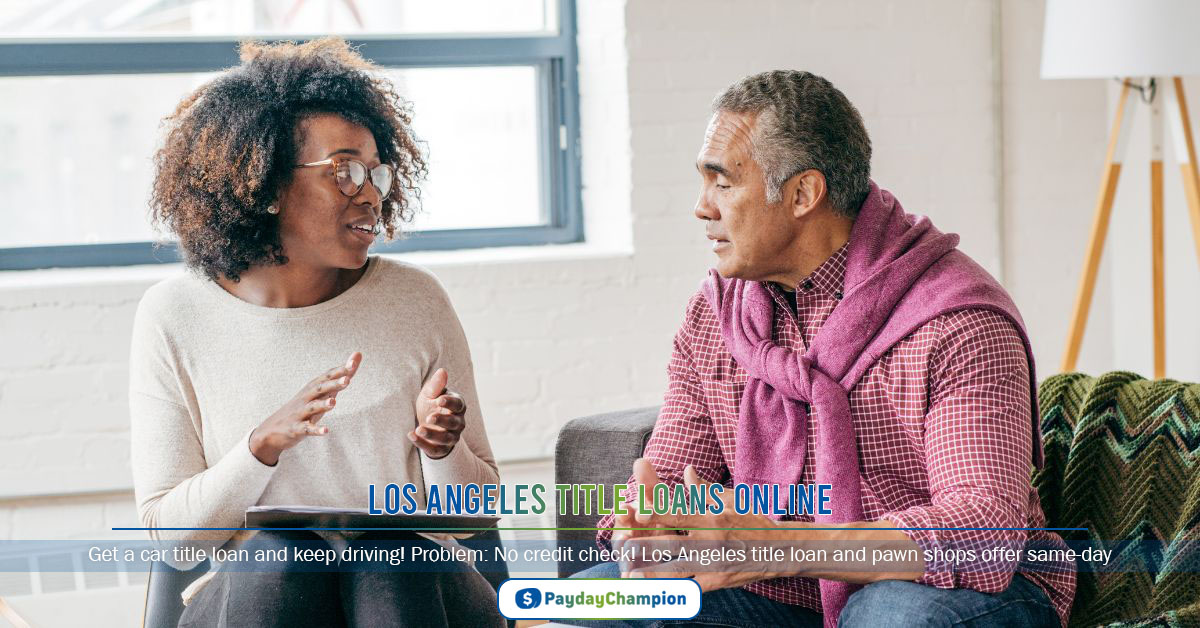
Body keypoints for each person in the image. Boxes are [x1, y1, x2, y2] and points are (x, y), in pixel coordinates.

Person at [572, 71, 1076, 627]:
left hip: (958, 589)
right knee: (586, 605)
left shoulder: (956, 320)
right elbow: (669, 475)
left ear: (803, 195)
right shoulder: (716, 312)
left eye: (722, 183)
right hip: (779, 589)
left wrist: (781, 546)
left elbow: (982, 529)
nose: (701, 207)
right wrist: (645, 527)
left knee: (890, 616)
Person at [129, 38, 504, 627]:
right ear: (267, 184)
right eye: (346, 172)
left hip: (419, 595)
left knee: (390, 552)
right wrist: (260, 447)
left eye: (377, 172)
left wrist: (443, 450)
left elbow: (476, 518)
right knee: (282, 553)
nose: (373, 193)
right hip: (255, 596)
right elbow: (174, 541)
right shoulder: (174, 315)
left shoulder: (415, 301)